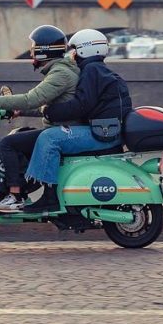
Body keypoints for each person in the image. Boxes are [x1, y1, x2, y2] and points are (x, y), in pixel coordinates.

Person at [21, 29, 133, 214]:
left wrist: (50, 112)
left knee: (50, 138)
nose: (71, 54)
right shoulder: (99, 70)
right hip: (107, 130)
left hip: (103, 133)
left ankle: (50, 197)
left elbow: (80, 106)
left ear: (85, 50)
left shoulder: (91, 70)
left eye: (74, 50)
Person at [0, 25, 79, 213]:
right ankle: (23, 188)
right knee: (20, 134)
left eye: (35, 46)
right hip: (61, 127)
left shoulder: (60, 74)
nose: (31, 51)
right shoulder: (61, 70)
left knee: (8, 144)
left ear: (44, 50)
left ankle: (15, 196)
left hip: (61, 131)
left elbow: (32, 98)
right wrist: (19, 112)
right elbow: (48, 107)